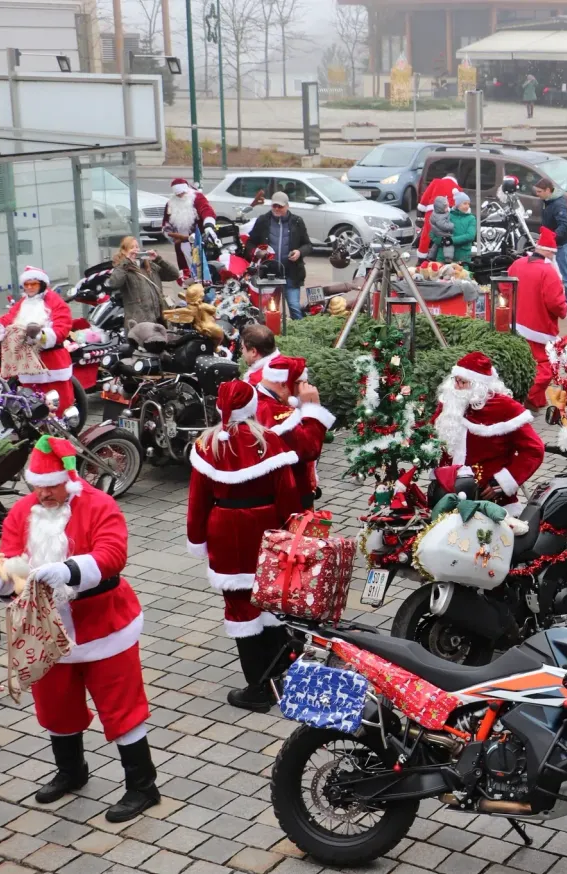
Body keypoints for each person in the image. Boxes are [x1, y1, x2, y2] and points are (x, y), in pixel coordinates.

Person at [0, 437, 159, 822]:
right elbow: (9, 560)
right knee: (56, 706)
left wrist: (69, 570)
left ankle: (143, 785)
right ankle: (71, 771)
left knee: (121, 707)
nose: (43, 493)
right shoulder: (22, 513)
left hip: (104, 626)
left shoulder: (100, 505)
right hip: (44, 630)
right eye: (37, 484)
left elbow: (113, 555)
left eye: (51, 484)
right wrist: (3, 584)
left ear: (70, 478)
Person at [187, 380, 301, 711]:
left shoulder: (207, 446)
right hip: (267, 530)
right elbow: (289, 497)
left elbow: (198, 502)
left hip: (225, 533)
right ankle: (285, 677)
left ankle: (258, 688)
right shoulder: (272, 443)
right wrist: (294, 534)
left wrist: (197, 540)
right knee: (275, 600)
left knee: (240, 608)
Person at [432, 352, 545, 506]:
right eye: (455, 380)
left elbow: (534, 450)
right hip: (448, 493)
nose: (456, 386)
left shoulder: (505, 408)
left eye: (462, 382)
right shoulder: (450, 402)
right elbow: (430, 435)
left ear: (479, 386)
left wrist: (502, 482)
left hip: (489, 499)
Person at [0, 266, 77, 417]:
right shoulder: (23, 303)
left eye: (33, 284)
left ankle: (63, 434)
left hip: (52, 363)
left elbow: (61, 329)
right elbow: (8, 317)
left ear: (42, 284)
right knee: (32, 406)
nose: (29, 288)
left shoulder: (54, 301)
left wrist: (41, 335)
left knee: (59, 405)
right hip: (27, 365)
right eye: (26, 285)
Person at [254, 355, 335, 510]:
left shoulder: (259, 398)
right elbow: (309, 449)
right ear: (283, 384)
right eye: (300, 384)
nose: (304, 389)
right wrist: (313, 409)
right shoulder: (272, 410)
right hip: (289, 501)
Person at [507, 228, 567, 409]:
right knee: (544, 366)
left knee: (523, 361)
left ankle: (536, 399)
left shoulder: (517, 264)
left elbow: (504, 287)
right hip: (539, 326)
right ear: (549, 251)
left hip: (516, 322)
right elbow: (555, 302)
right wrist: (565, 310)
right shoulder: (548, 272)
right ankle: (530, 397)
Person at [246, 191, 311, 320]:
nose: (276, 209)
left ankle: (300, 335)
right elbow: (249, 243)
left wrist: (299, 252)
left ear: (287, 206)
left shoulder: (297, 221)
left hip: (291, 273)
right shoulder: (263, 220)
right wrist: (257, 252)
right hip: (269, 275)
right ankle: (273, 336)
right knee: (271, 310)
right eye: (274, 205)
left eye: (280, 206)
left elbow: (308, 245)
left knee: (294, 307)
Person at [107, 236, 180, 331]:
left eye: (137, 247)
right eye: (131, 247)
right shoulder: (123, 268)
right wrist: (126, 262)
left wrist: (158, 259)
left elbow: (174, 274)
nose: (135, 250)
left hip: (159, 320)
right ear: (124, 251)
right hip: (139, 324)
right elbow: (114, 283)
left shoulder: (150, 266)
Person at [162, 178, 219, 279]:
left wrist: (208, 225)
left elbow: (206, 210)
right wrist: (169, 233)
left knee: (203, 270)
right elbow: (166, 222)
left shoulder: (197, 198)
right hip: (181, 243)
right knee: (187, 272)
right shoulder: (170, 203)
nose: (180, 196)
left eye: (182, 193)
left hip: (198, 240)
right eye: (177, 194)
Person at [534, 178, 567, 314]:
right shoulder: (547, 201)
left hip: (561, 244)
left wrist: (551, 237)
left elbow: (564, 225)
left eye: (539, 191)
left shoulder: (558, 204)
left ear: (547, 190)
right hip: (553, 244)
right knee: (553, 274)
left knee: (564, 274)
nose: (537, 194)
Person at [416, 174, 462, 258]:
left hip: (431, 211)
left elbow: (426, 195)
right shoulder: (457, 188)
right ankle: (444, 258)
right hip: (446, 214)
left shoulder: (436, 182)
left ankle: (421, 257)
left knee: (426, 234)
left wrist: (422, 206)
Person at [445, 191, 478, 264]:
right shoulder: (449, 216)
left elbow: (470, 235)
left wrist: (452, 240)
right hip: (449, 252)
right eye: (464, 203)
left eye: (468, 204)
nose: (467, 206)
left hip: (464, 254)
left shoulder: (471, 218)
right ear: (457, 204)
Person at [427, 196, 455, 262]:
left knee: (436, 244)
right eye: (445, 207)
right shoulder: (439, 217)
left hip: (437, 232)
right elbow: (443, 226)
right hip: (442, 233)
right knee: (447, 243)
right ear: (440, 208)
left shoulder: (436, 213)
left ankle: (431, 256)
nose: (447, 208)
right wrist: (452, 225)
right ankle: (448, 257)